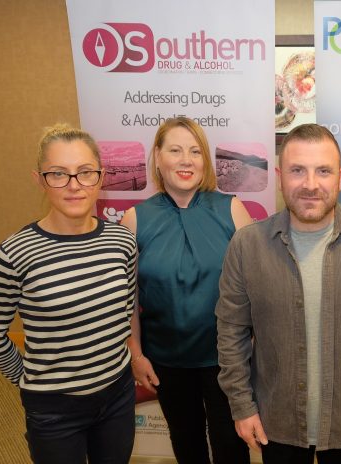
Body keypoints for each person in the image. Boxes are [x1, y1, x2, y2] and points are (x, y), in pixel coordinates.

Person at [215, 123, 341, 464]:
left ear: (339, 177)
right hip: (275, 424)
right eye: (297, 171)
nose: (310, 184)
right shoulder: (246, 246)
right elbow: (231, 333)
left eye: (322, 171)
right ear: (279, 176)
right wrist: (242, 406)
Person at [0, 124, 137, 464]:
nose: (74, 185)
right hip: (54, 410)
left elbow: (125, 311)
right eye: (58, 174)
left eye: (84, 173)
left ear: (101, 177)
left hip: (118, 396)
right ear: (39, 179)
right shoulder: (14, 254)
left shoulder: (122, 242)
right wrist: (24, 378)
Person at [120, 116, 252, 464]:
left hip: (227, 357)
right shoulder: (135, 219)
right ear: (158, 158)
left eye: (195, 151)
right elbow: (128, 301)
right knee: (186, 440)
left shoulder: (232, 210)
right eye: (175, 150)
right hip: (166, 358)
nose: (186, 160)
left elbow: (256, 289)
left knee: (231, 443)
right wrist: (136, 353)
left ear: (205, 161)